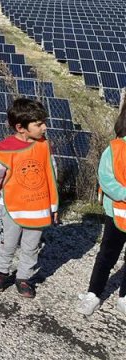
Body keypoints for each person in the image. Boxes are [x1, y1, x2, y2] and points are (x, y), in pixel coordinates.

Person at [0, 98, 59, 299]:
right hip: (11, 207)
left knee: (31, 246)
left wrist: (54, 206)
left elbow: (51, 176)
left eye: (44, 122)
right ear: (21, 127)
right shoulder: (6, 148)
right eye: (39, 124)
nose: (44, 127)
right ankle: (2, 272)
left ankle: (24, 277)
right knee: (7, 242)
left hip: (38, 207)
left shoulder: (44, 146)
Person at [77, 101, 126, 316]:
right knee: (107, 254)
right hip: (117, 213)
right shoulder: (115, 148)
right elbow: (106, 179)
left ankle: (124, 297)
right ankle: (94, 293)